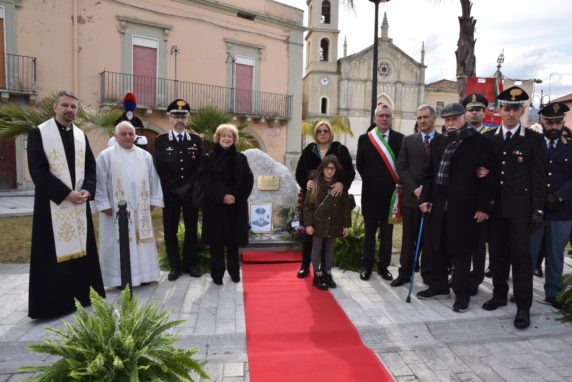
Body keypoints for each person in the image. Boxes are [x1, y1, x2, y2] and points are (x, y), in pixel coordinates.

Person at [26, 91, 105, 319]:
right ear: (55, 107)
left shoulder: (81, 135)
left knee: (82, 253)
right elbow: (38, 171)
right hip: (53, 205)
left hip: (79, 204)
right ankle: (54, 304)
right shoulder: (39, 133)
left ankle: (82, 296)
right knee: (51, 254)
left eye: (73, 106)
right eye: (65, 105)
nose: (69, 110)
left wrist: (88, 189)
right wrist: (66, 194)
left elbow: (91, 166)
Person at [417, 103, 498, 312]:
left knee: (461, 252)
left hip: (464, 206)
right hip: (438, 204)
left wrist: (484, 207)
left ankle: (462, 295)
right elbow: (429, 173)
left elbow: (490, 178)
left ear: (463, 117)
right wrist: (425, 197)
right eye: (447, 119)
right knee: (438, 246)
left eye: (455, 118)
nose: (450, 123)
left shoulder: (479, 142)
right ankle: (439, 286)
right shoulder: (439, 142)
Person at [482, 86, 547, 330]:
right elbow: (484, 171)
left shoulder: (533, 140)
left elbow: (539, 178)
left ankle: (523, 306)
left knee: (521, 258)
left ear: (522, 111)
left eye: (515, 108)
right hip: (495, 209)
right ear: (499, 110)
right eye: (506, 108)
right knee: (497, 255)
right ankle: (499, 295)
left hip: (520, 210)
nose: (510, 112)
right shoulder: (489, 139)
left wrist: (537, 209)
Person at [94, 121, 164, 288]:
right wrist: (103, 203)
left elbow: (153, 179)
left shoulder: (145, 156)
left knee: (142, 241)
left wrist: (153, 200)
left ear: (135, 136)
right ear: (116, 136)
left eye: (130, 134)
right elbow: (100, 181)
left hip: (141, 209)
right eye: (123, 134)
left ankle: (145, 275)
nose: (127, 137)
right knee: (117, 242)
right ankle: (119, 279)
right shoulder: (106, 155)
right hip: (115, 210)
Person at [295, 120, 355, 278]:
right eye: (319, 131)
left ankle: (324, 270)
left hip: (332, 201)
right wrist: (306, 183)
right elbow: (299, 172)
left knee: (328, 236)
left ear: (330, 133)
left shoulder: (340, 149)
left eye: (325, 130)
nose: (322, 133)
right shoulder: (309, 150)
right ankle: (305, 265)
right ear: (315, 134)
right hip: (314, 201)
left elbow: (350, 171)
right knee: (310, 235)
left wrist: (342, 183)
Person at [196, 124, 254, 285]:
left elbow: (248, 180)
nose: (227, 138)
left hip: (236, 207)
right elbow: (205, 182)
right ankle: (217, 274)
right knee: (217, 242)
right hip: (215, 207)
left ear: (234, 139)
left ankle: (234, 272)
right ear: (218, 138)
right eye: (224, 136)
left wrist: (235, 196)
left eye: (230, 136)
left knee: (233, 243)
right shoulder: (208, 158)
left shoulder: (241, 158)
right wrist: (222, 197)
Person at [394, 104, 443, 287]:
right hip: (411, 199)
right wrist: (415, 188)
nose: (422, 121)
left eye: (425, 117)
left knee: (430, 241)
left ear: (434, 119)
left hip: (434, 200)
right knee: (409, 239)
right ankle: (404, 273)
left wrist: (429, 191)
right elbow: (401, 167)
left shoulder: (443, 141)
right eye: (419, 117)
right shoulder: (408, 140)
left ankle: (428, 274)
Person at [529, 102, 572, 309]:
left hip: (561, 210)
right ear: (541, 122)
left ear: (562, 122)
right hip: (534, 209)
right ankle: (523, 289)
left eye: (557, 122)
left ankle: (552, 292)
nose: (553, 126)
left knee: (555, 253)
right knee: (529, 251)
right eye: (549, 122)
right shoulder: (531, 144)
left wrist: (559, 196)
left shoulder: (570, 146)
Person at [154, 99, 203, 281]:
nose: (180, 119)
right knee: (170, 230)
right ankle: (175, 266)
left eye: (183, 116)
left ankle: (190, 264)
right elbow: (160, 167)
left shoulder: (196, 140)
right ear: (170, 118)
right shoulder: (161, 140)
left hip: (190, 194)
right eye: (176, 116)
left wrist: (188, 187)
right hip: (170, 194)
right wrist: (173, 188)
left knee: (191, 229)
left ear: (187, 118)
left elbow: (199, 167)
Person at [356, 103, 404, 281]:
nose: (384, 118)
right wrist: (372, 180)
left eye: (387, 116)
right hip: (370, 194)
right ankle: (366, 266)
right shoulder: (365, 139)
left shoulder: (400, 139)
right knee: (369, 234)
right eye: (381, 115)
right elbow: (360, 165)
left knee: (387, 234)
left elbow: (402, 166)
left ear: (391, 119)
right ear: (375, 118)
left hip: (391, 197)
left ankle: (383, 267)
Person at [303, 155, 352, 290]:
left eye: (332, 168)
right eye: (327, 168)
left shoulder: (340, 186)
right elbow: (307, 206)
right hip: (318, 223)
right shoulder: (315, 184)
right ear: (322, 169)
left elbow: (345, 207)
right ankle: (317, 275)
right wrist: (308, 224)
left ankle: (327, 273)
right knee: (316, 248)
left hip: (334, 223)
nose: (329, 171)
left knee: (330, 249)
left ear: (336, 170)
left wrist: (346, 225)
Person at [463, 92, 491, 294]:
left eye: (477, 110)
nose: (473, 113)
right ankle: (460, 274)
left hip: (483, 198)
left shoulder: (492, 137)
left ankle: (476, 278)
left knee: (479, 244)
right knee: (461, 240)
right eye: (470, 110)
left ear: (484, 112)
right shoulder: (459, 135)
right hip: (462, 198)